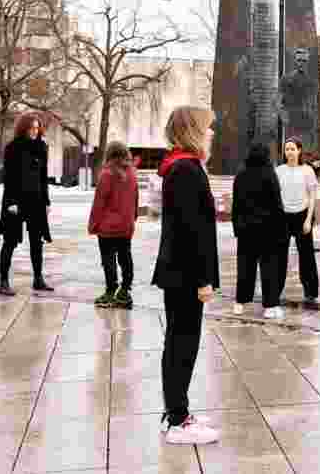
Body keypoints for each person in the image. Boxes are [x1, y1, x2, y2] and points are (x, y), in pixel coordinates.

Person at [152, 106, 220, 445]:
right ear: (193, 130)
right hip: (184, 274)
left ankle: (176, 411)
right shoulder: (187, 171)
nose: (212, 134)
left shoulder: (183, 168)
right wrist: (202, 279)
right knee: (183, 343)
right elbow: (191, 233)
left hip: (178, 271)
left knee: (179, 341)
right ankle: (178, 419)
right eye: (207, 128)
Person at [0, 112, 54, 296]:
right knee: (10, 241)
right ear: (23, 128)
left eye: (38, 128)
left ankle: (38, 279)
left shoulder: (42, 147)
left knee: (37, 242)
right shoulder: (13, 148)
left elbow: (43, 177)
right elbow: (9, 177)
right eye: (32, 128)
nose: (35, 131)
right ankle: (3, 281)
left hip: (36, 201)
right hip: (15, 201)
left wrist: (46, 201)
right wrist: (11, 202)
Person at [231, 143, 287, 319]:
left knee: (245, 267)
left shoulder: (241, 175)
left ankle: (240, 302)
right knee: (269, 268)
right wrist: (281, 228)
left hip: (245, 230)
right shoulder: (269, 174)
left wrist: (237, 227)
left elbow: (236, 204)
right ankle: (270, 305)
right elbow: (277, 203)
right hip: (268, 230)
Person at [87, 141, 139, 309]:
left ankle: (110, 292)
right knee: (126, 257)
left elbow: (99, 203)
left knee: (108, 259)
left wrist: (93, 224)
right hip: (125, 225)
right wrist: (133, 218)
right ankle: (124, 292)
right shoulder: (132, 173)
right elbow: (135, 199)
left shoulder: (107, 174)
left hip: (108, 228)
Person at [275, 137, 320, 304]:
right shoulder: (279, 171)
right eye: (287, 149)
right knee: (279, 256)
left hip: (302, 216)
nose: (290, 152)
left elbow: (313, 196)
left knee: (306, 256)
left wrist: (309, 220)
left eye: (293, 149)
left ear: (299, 150)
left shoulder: (307, 170)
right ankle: (275, 290)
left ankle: (310, 291)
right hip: (284, 217)